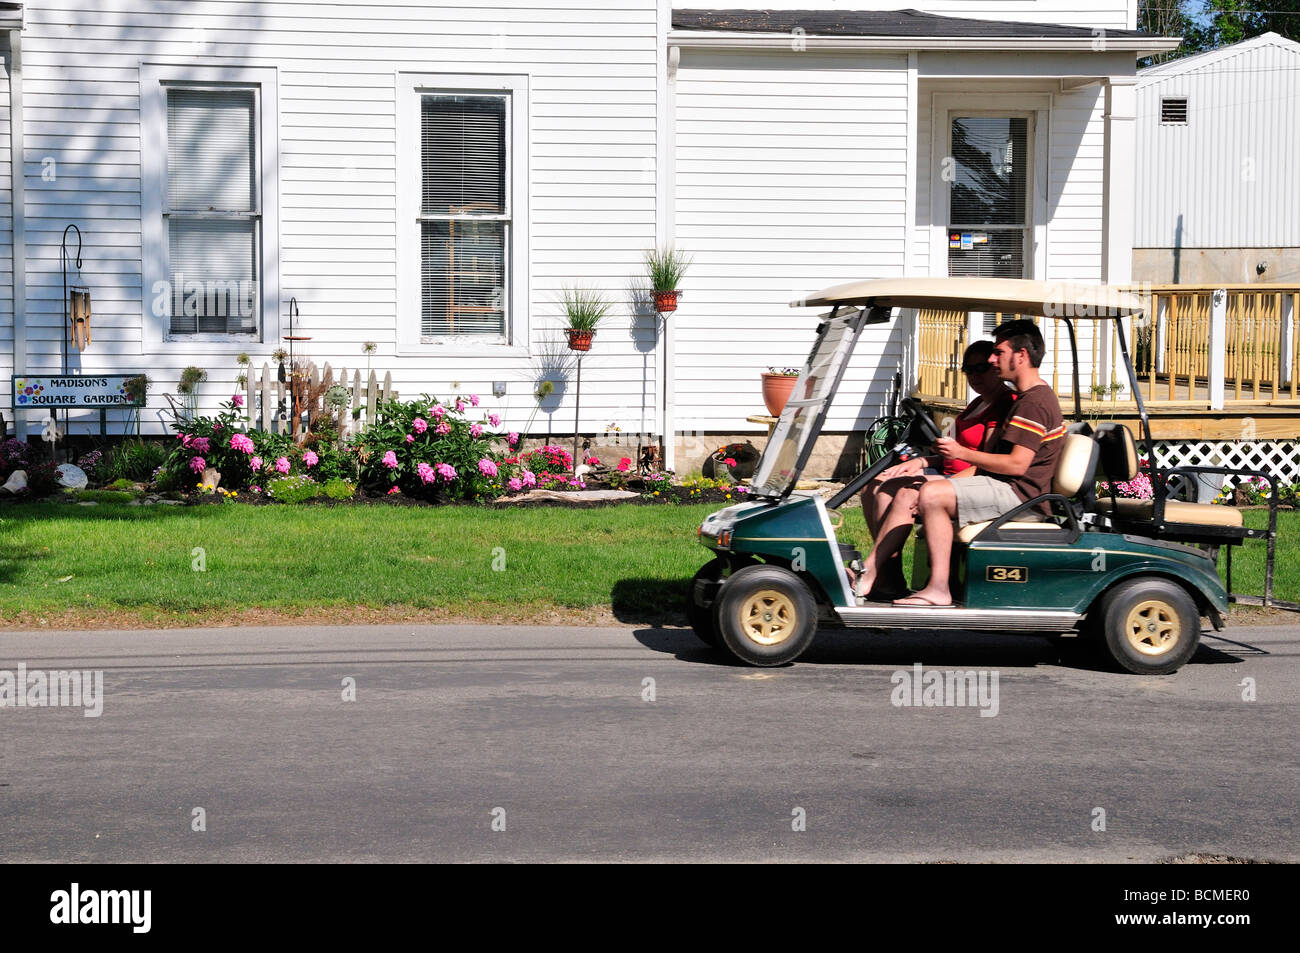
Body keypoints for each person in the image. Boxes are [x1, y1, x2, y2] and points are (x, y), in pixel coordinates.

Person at [892, 318, 1065, 608]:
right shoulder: (1028, 398)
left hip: (1022, 495)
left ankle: (938, 589)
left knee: (932, 494)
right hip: (1009, 487)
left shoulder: (1033, 403)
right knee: (916, 489)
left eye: (999, 352)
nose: (993, 359)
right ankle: (887, 577)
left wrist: (961, 453)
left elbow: (1016, 466)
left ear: (1021, 355)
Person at [854, 340, 1013, 601]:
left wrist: (938, 484)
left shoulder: (1003, 405)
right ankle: (889, 577)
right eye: (968, 370)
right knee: (876, 485)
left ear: (996, 367)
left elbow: (983, 462)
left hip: (971, 480)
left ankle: (876, 572)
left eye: (981, 368)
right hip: (948, 474)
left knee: (901, 493)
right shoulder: (977, 403)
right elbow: (954, 454)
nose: (974, 375)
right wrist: (921, 462)